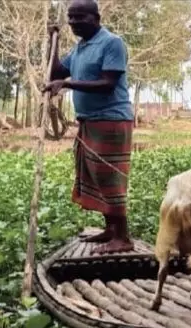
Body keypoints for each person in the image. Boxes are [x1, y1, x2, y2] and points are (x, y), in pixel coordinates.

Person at [43, 0, 134, 254]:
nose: (73, 23)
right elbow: (57, 73)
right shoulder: (81, 47)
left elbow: (107, 83)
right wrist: (54, 42)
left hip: (112, 120)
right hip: (90, 121)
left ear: (96, 17)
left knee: (109, 176)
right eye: (70, 18)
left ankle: (123, 237)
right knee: (95, 176)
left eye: (79, 18)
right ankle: (110, 231)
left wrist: (68, 85)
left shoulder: (111, 43)